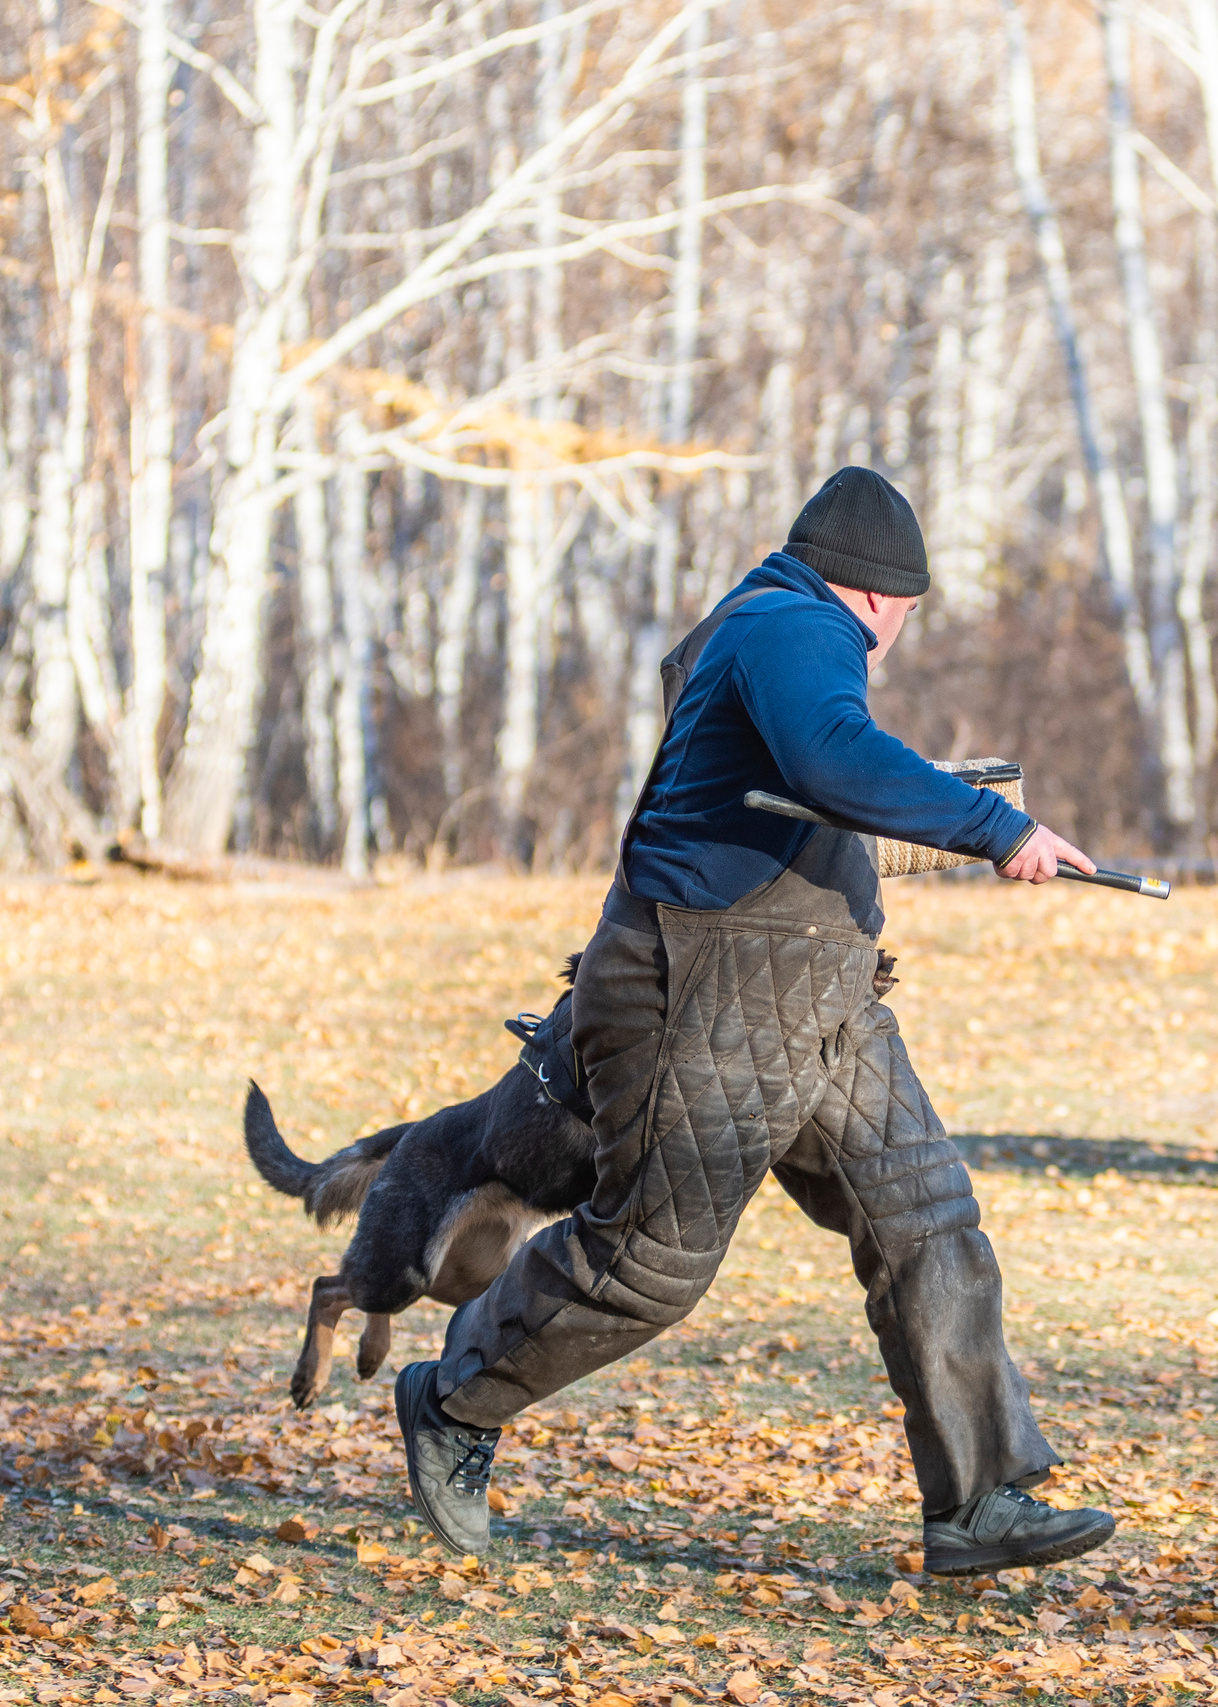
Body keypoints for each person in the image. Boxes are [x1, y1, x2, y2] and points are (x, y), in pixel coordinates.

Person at [391, 467, 1117, 1577]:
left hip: (818, 1000)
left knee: (927, 1223)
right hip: (702, 998)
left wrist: (934, 808)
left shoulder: (763, 628)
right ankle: (450, 1399)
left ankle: (978, 1503)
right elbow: (832, 755)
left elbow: (817, 779)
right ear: (876, 596)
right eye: (904, 617)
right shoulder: (792, 625)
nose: (895, 639)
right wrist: (989, 822)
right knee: (650, 1264)